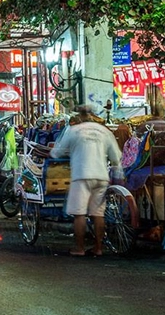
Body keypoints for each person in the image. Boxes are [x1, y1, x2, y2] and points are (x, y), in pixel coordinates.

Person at [49, 104, 123, 257]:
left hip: (81, 175)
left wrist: (67, 152)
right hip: (101, 176)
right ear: (92, 116)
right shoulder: (104, 131)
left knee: (79, 214)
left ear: (80, 116)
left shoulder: (74, 131)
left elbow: (57, 153)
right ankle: (98, 248)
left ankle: (80, 248)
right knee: (98, 214)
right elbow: (116, 157)